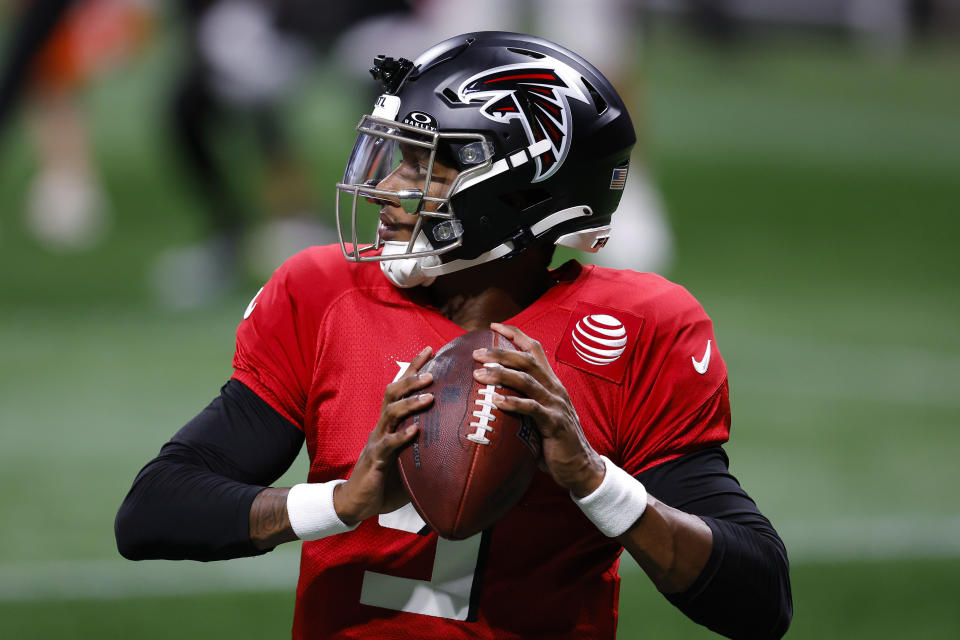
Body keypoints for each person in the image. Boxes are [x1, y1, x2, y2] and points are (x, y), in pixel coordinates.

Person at [116, 32, 792, 639]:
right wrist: (340, 503)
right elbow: (152, 511)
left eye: (422, 165)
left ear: (520, 192)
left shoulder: (636, 327)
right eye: (392, 156)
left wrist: (593, 481)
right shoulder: (326, 293)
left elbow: (759, 600)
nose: (384, 187)